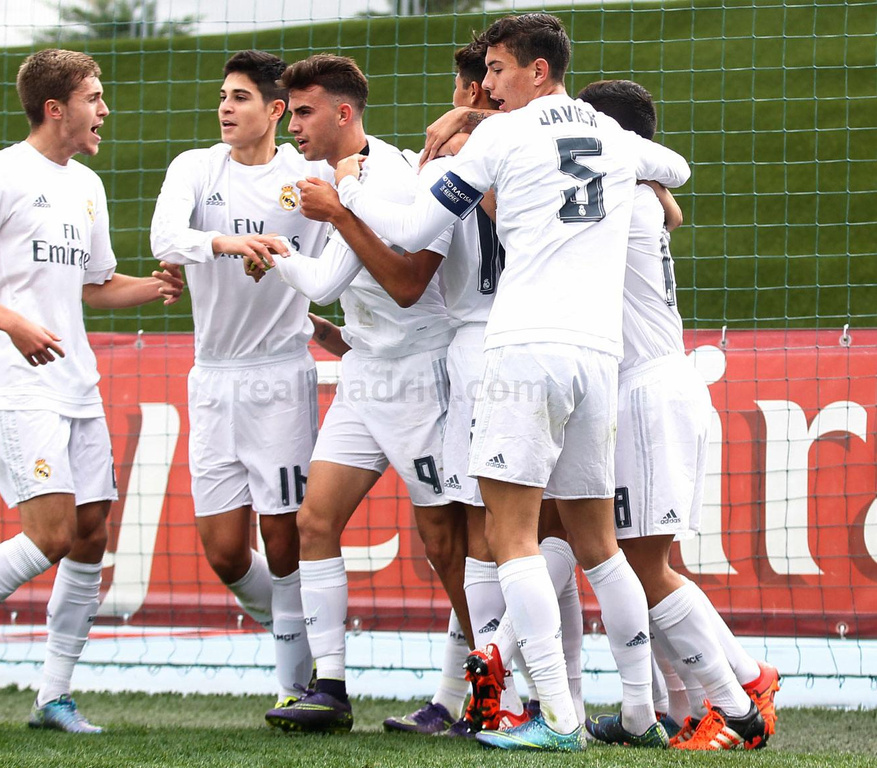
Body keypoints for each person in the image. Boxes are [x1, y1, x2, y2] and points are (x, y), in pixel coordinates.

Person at [334, 13, 690, 751]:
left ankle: (557, 718)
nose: (488, 84)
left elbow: (410, 230)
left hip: (524, 350)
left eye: (496, 69)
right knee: (598, 546)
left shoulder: (501, 137)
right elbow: (677, 171)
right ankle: (637, 713)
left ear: (537, 70)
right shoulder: (608, 132)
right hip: (598, 358)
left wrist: (346, 193)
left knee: (510, 535)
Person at [0, 48, 183, 733]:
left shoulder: (88, 186)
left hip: (77, 385)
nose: (105, 109)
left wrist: (157, 287)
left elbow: (94, 287)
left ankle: (53, 697)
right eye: (94, 97)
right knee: (51, 534)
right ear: (56, 109)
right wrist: (14, 323)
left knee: (89, 535)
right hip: (18, 388)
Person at [246, 54, 462, 734]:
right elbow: (341, 285)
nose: (293, 125)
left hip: (421, 377)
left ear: (344, 113)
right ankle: (330, 687)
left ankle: (467, 695)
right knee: (314, 522)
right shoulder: (336, 177)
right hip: (366, 374)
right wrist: (334, 332)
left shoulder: (387, 176)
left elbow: (329, 281)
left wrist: (271, 254)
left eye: (304, 112)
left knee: (445, 544)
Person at [573, 79, 775, 751]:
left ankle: (737, 702)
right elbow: (672, 207)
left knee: (642, 567)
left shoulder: (617, 199)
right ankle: (721, 691)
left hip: (647, 394)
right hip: (652, 386)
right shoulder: (638, 194)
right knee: (639, 564)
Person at [149, 50, 336, 715]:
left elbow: (337, 255)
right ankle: (298, 637)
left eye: (240, 98)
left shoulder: (307, 177)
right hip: (212, 379)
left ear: (276, 109)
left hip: (278, 378)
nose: (225, 108)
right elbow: (165, 237)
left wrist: (306, 299)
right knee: (226, 553)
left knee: (283, 541)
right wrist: (229, 244)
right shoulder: (196, 168)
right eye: (223, 97)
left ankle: (296, 686)